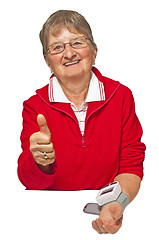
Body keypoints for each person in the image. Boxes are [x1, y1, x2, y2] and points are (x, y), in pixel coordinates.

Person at [17, 10, 146, 234]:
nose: (68, 53)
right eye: (57, 47)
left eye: (77, 42)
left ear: (94, 51)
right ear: (48, 62)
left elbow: (131, 164)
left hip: (103, 211)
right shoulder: (34, 106)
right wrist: (40, 161)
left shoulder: (121, 96)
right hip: (48, 219)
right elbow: (30, 182)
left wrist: (117, 204)